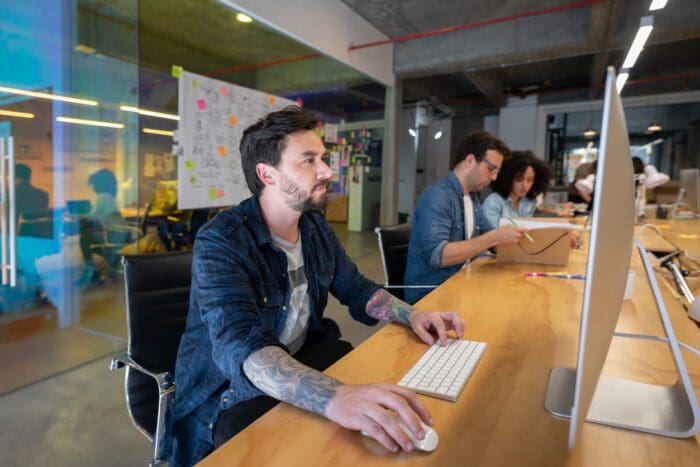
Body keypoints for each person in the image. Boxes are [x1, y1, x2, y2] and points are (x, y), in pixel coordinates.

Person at [168, 106, 465, 466]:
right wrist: (336, 398)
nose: (326, 171)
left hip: (303, 354)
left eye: (323, 158)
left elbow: (354, 286)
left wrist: (411, 314)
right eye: (308, 160)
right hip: (230, 394)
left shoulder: (313, 225)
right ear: (267, 174)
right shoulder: (222, 240)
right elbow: (241, 347)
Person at [403, 130, 525, 304]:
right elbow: (439, 256)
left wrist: (552, 239)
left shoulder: (472, 197)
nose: (494, 177)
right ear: (470, 161)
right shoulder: (437, 196)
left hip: (459, 283)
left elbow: (494, 241)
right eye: (491, 169)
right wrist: (493, 238)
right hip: (430, 295)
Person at [483, 151, 579, 248]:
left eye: (530, 180)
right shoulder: (493, 202)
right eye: (519, 179)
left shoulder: (529, 202)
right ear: (507, 177)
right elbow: (490, 239)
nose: (525, 185)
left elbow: (532, 230)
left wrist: (561, 234)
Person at [79, 169, 128, 285]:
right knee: (91, 242)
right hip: (119, 234)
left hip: (113, 235)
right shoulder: (110, 197)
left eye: (94, 184)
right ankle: (113, 260)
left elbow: (91, 217)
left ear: (99, 184)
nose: (93, 188)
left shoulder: (102, 197)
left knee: (84, 239)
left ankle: (91, 270)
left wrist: (76, 215)